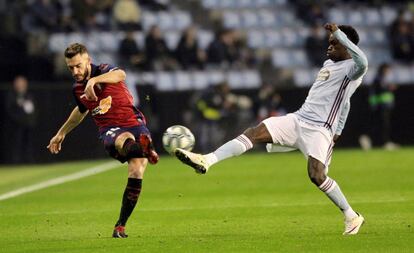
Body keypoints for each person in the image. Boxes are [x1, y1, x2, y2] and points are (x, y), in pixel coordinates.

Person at [175, 23, 368, 235]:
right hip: (297, 119)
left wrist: (337, 128)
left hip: (319, 129)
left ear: (347, 47)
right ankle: (207, 160)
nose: (328, 46)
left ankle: (351, 216)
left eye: (334, 43)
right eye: (329, 42)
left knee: (317, 175)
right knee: (254, 132)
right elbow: (345, 101)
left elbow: (363, 62)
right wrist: (341, 125)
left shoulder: (354, 68)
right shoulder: (328, 64)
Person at [47, 43, 159, 238]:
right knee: (123, 139)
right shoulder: (77, 88)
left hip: (134, 121)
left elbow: (121, 74)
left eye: (78, 65)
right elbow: (81, 111)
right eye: (71, 67)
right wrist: (61, 132)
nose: (75, 71)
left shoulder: (104, 70)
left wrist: (94, 81)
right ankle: (144, 148)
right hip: (110, 129)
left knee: (136, 170)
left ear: (88, 61)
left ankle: (120, 226)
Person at [6, 75, 37, 164]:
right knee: (16, 143)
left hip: (28, 124)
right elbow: (10, 109)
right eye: (19, 83)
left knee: (28, 143)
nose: (21, 85)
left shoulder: (29, 95)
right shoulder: (12, 95)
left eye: (22, 83)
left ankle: (29, 160)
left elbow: (33, 110)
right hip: (16, 125)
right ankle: (16, 161)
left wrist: (31, 120)